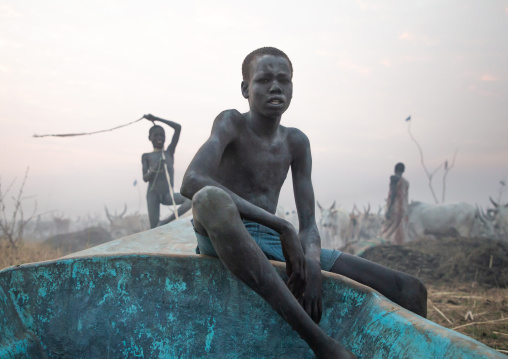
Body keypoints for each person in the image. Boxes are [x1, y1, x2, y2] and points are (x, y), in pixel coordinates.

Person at [180, 47, 427, 358]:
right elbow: (191, 180)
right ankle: (321, 344)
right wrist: (281, 224)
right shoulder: (231, 122)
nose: (275, 86)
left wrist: (311, 261)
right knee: (209, 198)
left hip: (270, 241)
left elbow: (308, 225)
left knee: (411, 290)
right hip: (225, 233)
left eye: (284, 80)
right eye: (264, 79)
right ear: (245, 89)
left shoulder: (296, 142)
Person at [141, 114, 192, 228]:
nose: (159, 137)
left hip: (167, 194)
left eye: (162, 135)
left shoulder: (169, 153)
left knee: (190, 199)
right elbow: (145, 178)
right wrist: (156, 168)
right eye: (156, 135)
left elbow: (178, 127)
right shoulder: (146, 156)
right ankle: (159, 226)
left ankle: (165, 221)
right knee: (154, 228)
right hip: (152, 195)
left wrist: (157, 118)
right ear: (150, 138)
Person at [381, 162, 409, 245]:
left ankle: (386, 243)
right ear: (403, 171)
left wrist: (389, 210)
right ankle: (398, 244)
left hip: (394, 208)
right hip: (403, 209)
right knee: (399, 229)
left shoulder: (393, 178)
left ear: (395, 170)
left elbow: (393, 193)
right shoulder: (406, 182)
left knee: (387, 229)